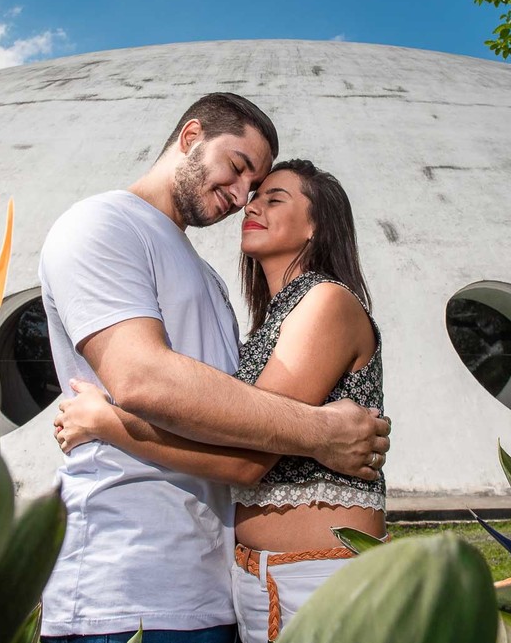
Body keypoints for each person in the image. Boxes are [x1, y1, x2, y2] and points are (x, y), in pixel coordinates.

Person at [37, 95, 390, 643]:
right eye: (239, 169)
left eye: (261, 191)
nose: (241, 197)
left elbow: (243, 441)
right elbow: (142, 379)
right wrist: (323, 432)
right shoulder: (102, 224)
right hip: (127, 581)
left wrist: (108, 422)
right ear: (191, 136)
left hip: (213, 587)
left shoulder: (215, 281)